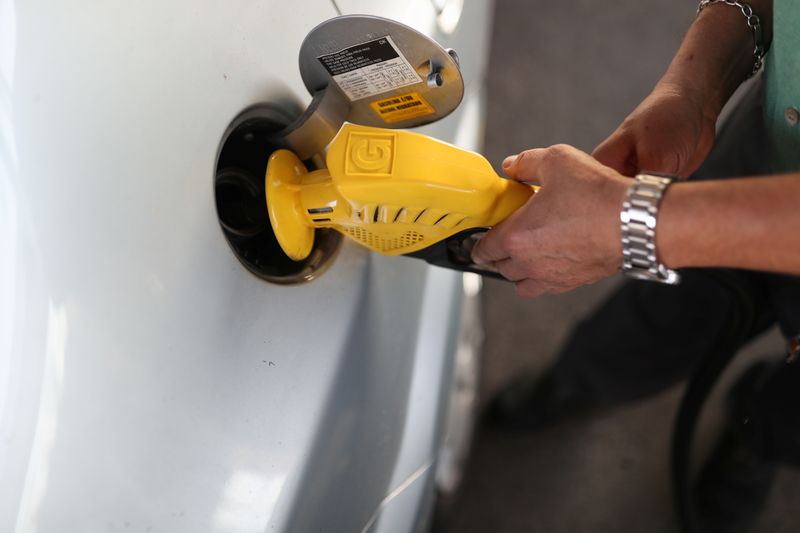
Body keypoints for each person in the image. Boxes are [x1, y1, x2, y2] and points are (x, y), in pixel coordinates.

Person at [471, 1, 800, 531]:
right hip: (777, 137)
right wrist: (693, 86)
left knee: (790, 417)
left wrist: (634, 222)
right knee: (664, 311)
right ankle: (581, 381)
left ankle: (757, 444)